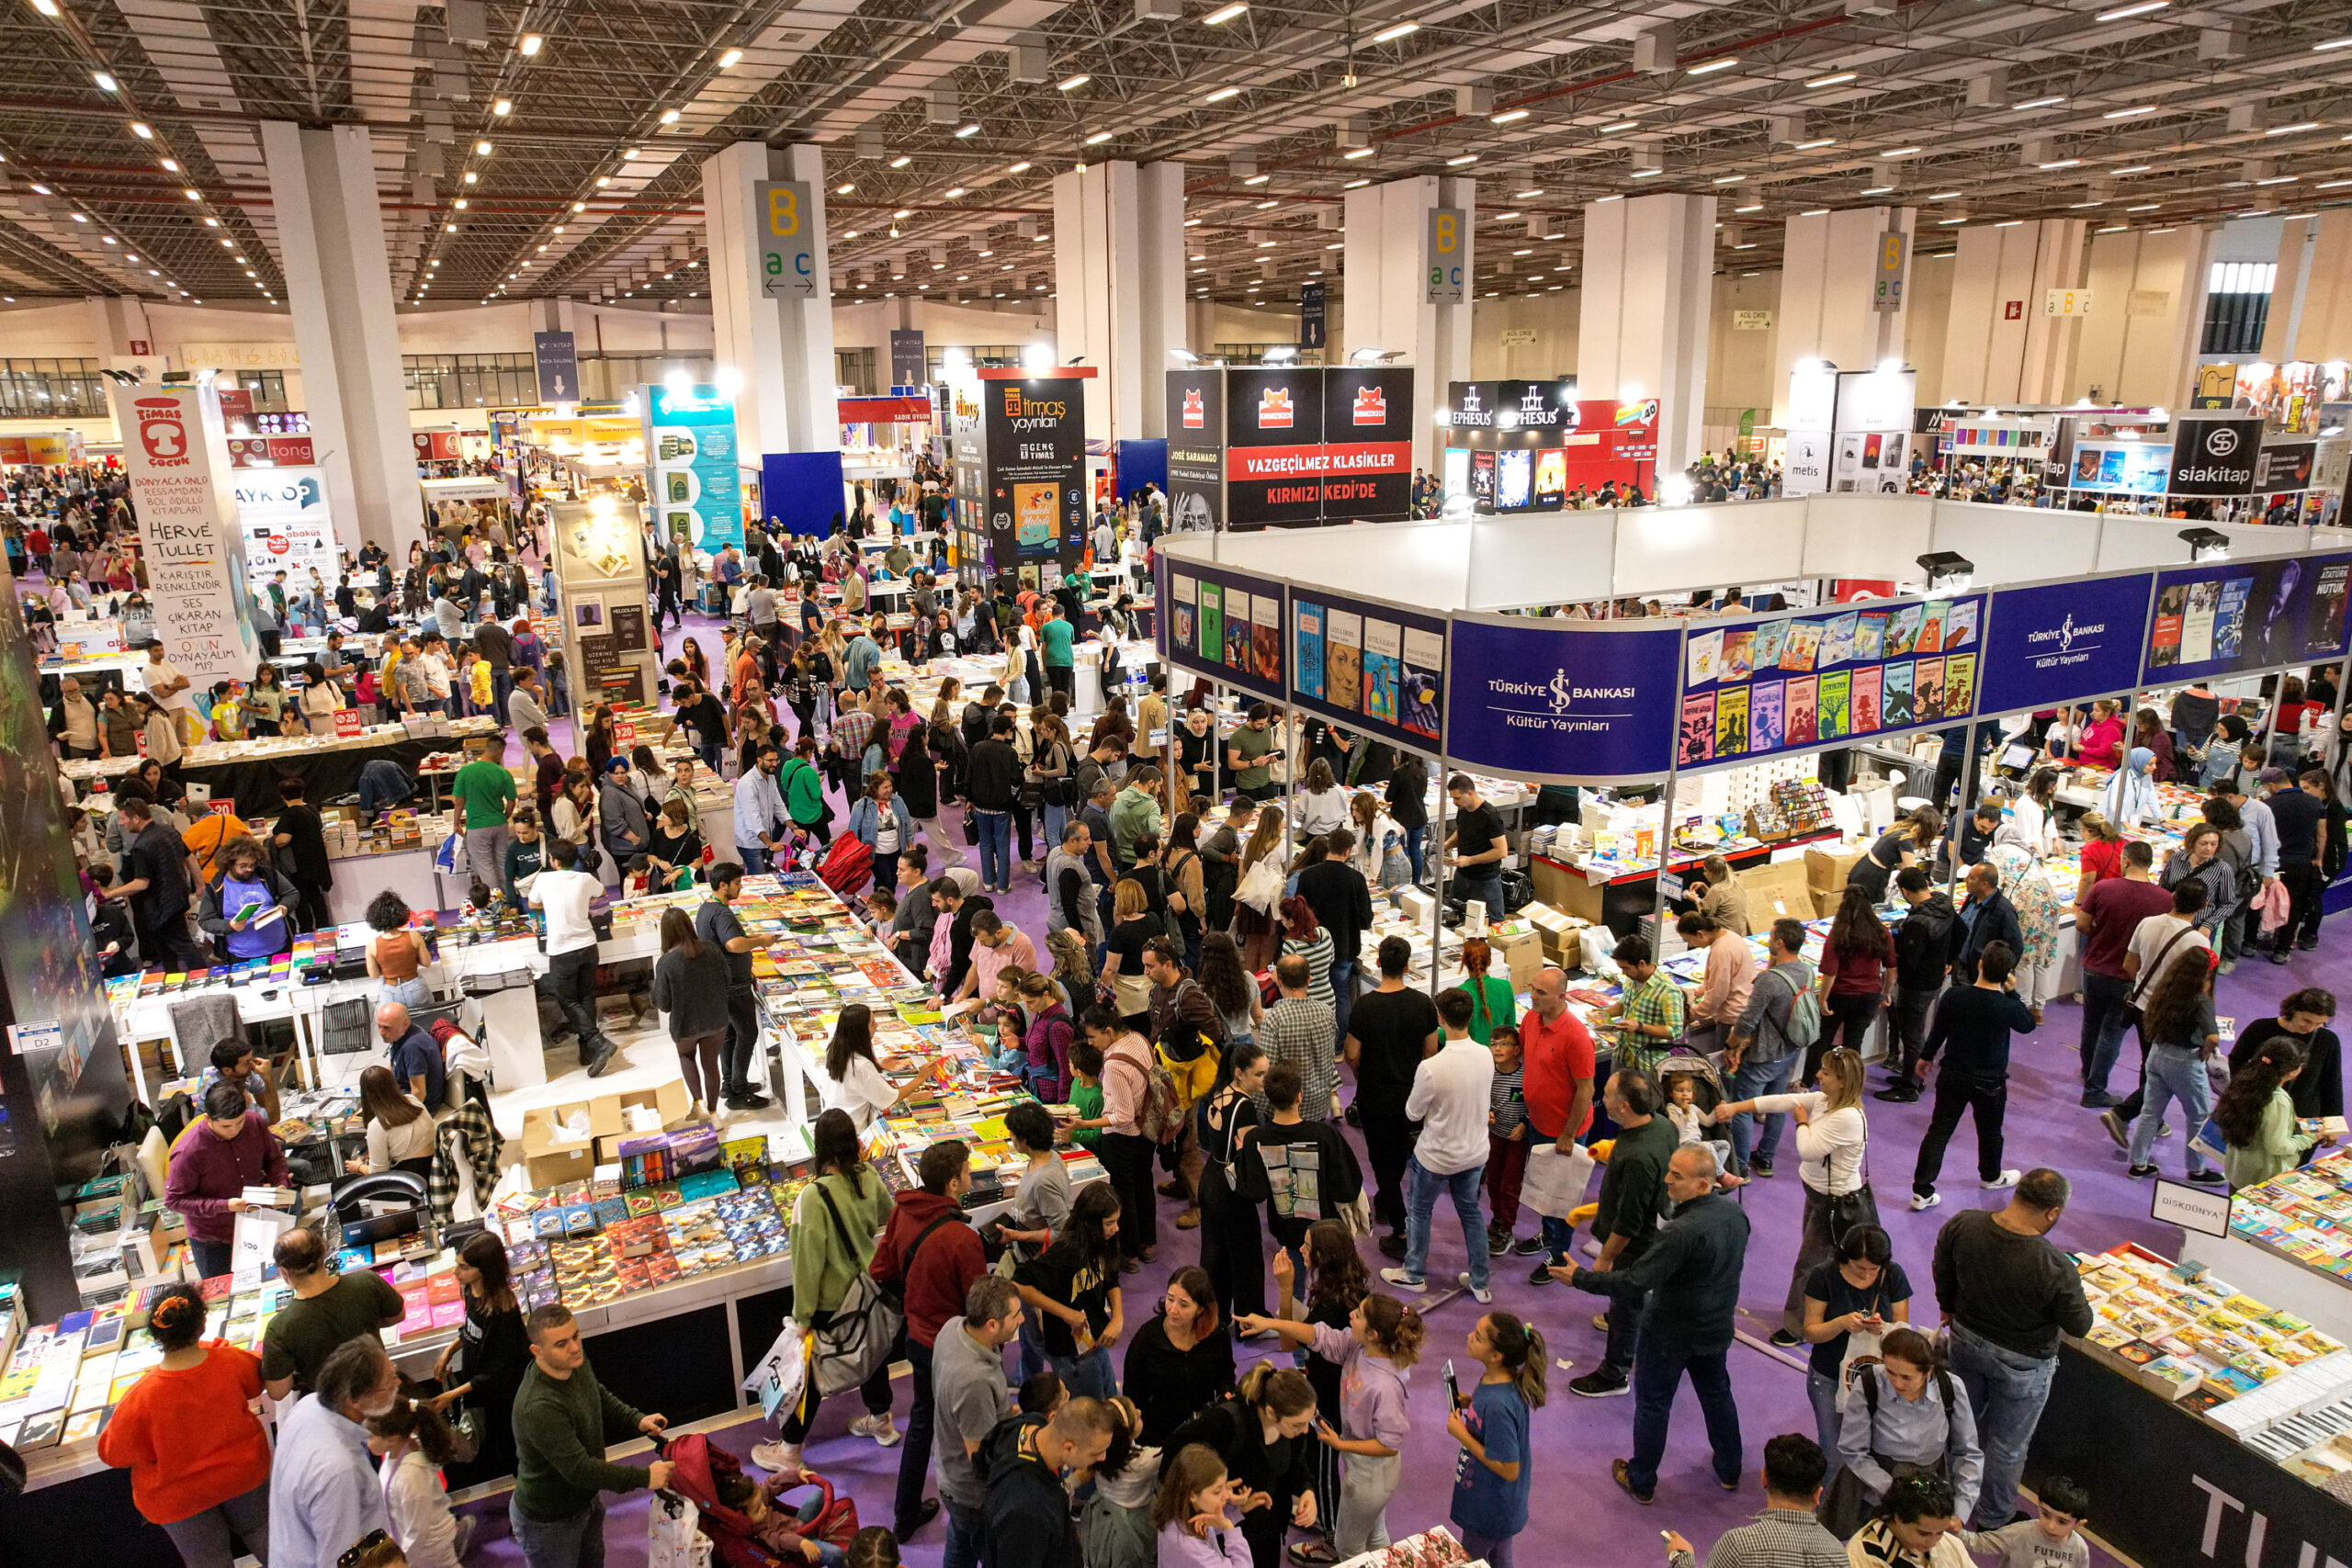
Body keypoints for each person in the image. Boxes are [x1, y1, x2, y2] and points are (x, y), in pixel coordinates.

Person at [1556, 1143, 1752, 1504]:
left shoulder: (1681, 1232)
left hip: (1669, 1333)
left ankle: (1641, 1480)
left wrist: (1580, 1278)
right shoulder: (1735, 1215)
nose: (1667, 1180)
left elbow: (1634, 1281)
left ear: (1703, 1185)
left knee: (1653, 1404)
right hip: (1715, 1328)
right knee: (1717, 1395)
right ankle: (1730, 1469)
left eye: (1677, 1175)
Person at [1930, 1169, 2091, 1529]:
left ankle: (1944, 1500)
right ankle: (1994, 1517)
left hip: (1966, 1340)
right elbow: (2079, 1325)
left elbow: (1942, 1265)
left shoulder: (1964, 1224)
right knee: (2007, 1446)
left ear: (2017, 1193)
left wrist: (1948, 1305)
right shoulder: (2056, 1266)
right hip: (2024, 1364)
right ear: (2053, 1212)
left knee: (1959, 1425)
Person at [96, 1282, 273, 1568]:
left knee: (209, 1561)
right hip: (242, 1474)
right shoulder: (228, 1362)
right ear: (202, 1324)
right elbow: (256, 1377)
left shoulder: (140, 1397)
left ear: (155, 1334)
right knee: (264, 1533)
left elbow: (113, 1454)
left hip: (179, 1499)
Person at [867, 1138, 988, 1540]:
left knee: (922, 1424)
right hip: (955, 1347)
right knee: (973, 1425)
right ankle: (978, 1505)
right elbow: (978, 1304)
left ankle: (904, 1515)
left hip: (916, 1338)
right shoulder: (962, 1238)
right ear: (953, 1183)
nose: (971, 1174)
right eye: (967, 1170)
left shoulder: (902, 1211)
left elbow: (881, 1267)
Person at [1715, 1046, 1874, 1348]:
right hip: (1820, 1196)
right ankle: (1826, 1313)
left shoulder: (1848, 1118)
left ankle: (1800, 1326)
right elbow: (1784, 1101)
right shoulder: (1826, 1100)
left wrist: (1801, 1121)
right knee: (1823, 1261)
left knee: (1809, 1265)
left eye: (1826, 1072)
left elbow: (1808, 1149)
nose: (1818, 1075)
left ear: (1843, 1080)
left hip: (1834, 1203)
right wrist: (1736, 1107)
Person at [509, 1303, 674, 1568]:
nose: (575, 1347)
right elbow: (579, 1469)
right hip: (549, 1523)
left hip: (585, 1501)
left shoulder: (573, 1362)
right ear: (536, 1351)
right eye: (561, 1344)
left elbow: (596, 1393)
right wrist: (644, 1477)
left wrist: (635, 1420)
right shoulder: (539, 1406)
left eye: (575, 1336)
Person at [1557, 1069, 1677, 1391]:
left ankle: (1614, 1373)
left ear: (1624, 1106)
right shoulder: (1661, 1125)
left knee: (1626, 1302)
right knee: (1632, 1299)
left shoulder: (1638, 1158)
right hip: (1657, 1229)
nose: (1603, 1097)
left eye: (1608, 1094)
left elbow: (1628, 1222)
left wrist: (1604, 1260)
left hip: (1635, 1244)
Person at [1381, 987, 1496, 1301]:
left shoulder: (1431, 1067)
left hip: (1436, 1155)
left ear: (1440, 1018)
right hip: (1475, 1153)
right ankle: (1480, 1282)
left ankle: (1414, 1273)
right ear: (1470, 1016)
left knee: (1419, 1211)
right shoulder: (1486, 1054)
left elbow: (1412, 1112)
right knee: (1471, 1213)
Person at [1909, 941, 2032, 1211]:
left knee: (1939, 1130)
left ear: (1980, 964)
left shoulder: (1954, 996)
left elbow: (1938, 1031)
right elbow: (2028, 1025)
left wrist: (1926, 1057)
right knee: (1990, 1132)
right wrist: (2012, 993)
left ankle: (1921, 1191)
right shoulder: (2007, 1006)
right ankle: (1991, 1176)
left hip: (1953, 1074)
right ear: (2008, 974)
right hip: (1990, 1081)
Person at [1826, 1328, 1984, 1536]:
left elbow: (1968, 1452)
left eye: (1907, 1378)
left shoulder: (1951, 1387)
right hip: (1873, 1483)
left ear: (1928, 1372)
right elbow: (1853, 1450)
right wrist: (1895, 1492)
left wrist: (1961, 1509)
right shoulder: (1869, 1382)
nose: (1897, 1383)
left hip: (1927, 1483)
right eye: (1890, 1372)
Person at [1162, 1365, 1321, 1568]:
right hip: (1223, 1532)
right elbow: (1174, 1462)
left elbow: (1296, 1466)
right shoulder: (1225, 1423)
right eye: (1298, 1424)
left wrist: (1307, 1491)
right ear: (1271, 1413)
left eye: (1309, 1421)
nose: (1306, 1430)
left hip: (1267, 1529)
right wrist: (1221, 1494)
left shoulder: (1294, 1431)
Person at [272, 1337, 401, 1568]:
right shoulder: (339, 1472)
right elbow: (340, 1558)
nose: (397, 1383)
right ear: (354, 1399)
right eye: (389, 1381)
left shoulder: (308, 1406)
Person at [1800, 1224, 1911, 1475]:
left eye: (1874, 1269)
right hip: (1829, 1376)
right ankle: (1831, 1497)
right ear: (1844, 1257)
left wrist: (1882, 1328)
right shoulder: (1823, 1276)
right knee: (1833, 1450)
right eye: (1859, 1268)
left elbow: (1902, 1329)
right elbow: (1811, 1332)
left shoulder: (1893, 1275)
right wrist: (1840, 1323)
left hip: (1876, 1378)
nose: (1866, 1274)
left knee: (1876, 1447)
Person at [933, 1276, 1026, 1568]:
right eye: (1015, 1315)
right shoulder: (974, 1382)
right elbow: (981, 1457)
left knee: (961, 1544)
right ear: (992, 1325)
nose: (1022, 1319)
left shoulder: (953, 1328)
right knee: (992, 1554)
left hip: (951, 1477)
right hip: (973, 1496)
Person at [2072, 840, 2173, 1108]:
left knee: (2091, 1024)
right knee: (2112, 1032)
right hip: (2129, 975)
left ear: (2125, 860)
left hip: (2095, 967)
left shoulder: (2103, 888)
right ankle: (2095, 1088)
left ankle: (2089, 1073)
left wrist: (2101, 937)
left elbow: (2082, 923)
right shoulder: (2164, 899)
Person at [261, 1224, 406, 1398]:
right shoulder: (366, 1281)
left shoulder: (279, 1328)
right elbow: (398, 1315)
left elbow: (277, 1392)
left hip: (329, 1405)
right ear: (323, 1252)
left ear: (284, 1272)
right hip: (379, 1392)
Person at [432, 1229, 530, 1485]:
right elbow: (471, 1330)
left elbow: (498, 1373)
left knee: (511, 1450)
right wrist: (450, 1350)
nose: (456, 1273)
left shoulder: (503, 1312)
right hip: (483, 1390)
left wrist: (452, 1395)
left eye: (464, 1267)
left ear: (484, 1270)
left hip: (505, 1396)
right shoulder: (471, 1291)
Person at [1447, 1311, 1545, 1568]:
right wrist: (1472, 1403)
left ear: (1496, 1356)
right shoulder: (1497, 1381)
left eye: (1478, 1337)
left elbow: (1509, 1468)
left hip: (1490, 1507)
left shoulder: (1498, 1404)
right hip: (1496, 1501)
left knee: (1474, 1560)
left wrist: (1462, 1435)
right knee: (1501, 1557)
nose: (1469, 1336)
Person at [164, 1080, 289, 1280]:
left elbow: (273, 1159)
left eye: (239, 1122)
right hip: (213, 1239)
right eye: (226, 1126)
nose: (234, 1130)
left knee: (269, 1282)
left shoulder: (254, 1123)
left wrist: (280, 1184)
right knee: (225, 1293)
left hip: (257, 1222)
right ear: (208, 1118)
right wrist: (225, 1206)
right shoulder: (189, 1151)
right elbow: (174, 1201)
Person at [1519, 965, 1600, 1280]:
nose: (1533, 996)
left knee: (1563, 1198)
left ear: (1562, 996)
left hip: (1566, 1133)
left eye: (1541, 992)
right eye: (1532, 988)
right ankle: (1548, 1234)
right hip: (1538, 1124)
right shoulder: (1531, 1019)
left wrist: (1568, 1134)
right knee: (1543, 1189)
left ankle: (1560, 1257)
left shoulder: (1576, 1037)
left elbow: (1586, 1091)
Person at [1661, 1434, 1846, 1568]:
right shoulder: (1838, 1556)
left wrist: (1680, 1558)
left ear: (1764, 1478)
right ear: (1817, 1494)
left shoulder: (1738, 1545)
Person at [1014, 1181, 1126, 1400]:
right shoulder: (1066, 1250)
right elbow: (1020, 1284)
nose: (1116, 1229)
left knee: (1110, 1400)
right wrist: (1066, 1313)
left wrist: (1117, 1318)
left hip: (1096, 1341)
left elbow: (1111, 1278)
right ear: (1091, 1223)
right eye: (1109, 1223)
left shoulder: (1106, 1240)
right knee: (1089, 1411)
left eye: (1116, 1221)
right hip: (1070, 1353)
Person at [2122, 948, 2226, 1183]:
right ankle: (2197, 1171)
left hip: (2158, 1053)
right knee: (2199, 1115)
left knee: (2150, 1112)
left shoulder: (2166, 988)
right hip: (2185, 1061)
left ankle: (2138, 1164)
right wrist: (2204, 1054)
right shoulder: (2201, 1000)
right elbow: (2213, 1038)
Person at [1725, 919, 1818, 1179]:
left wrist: (1730, 1045)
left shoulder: (1769, 980)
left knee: (1743, 1107)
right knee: (1778, 1103)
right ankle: (1766, 1158)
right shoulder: (1807, 971)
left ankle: (1740, 1164)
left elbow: (1748, 1020)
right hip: (1790, 1050)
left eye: (1771, 936)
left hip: (1763, 1054)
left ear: (1779, 943)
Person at [981, 1397, 1117, 1568]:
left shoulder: (1032, 1429)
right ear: (1069, 1448)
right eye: (1096, 1453)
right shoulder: (1026, 1510)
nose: (1102, 1458)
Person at [531, 838, 620, 1077]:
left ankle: (597, 1042)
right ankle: (588, 1051)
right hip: (588, 944)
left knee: (567, 1000)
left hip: (562, 949)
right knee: (587, 997)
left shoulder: (544, 879)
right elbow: (601, 893)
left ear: (554, 860)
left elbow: (532, 902)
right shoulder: (585, 878)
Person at [1123, 1266, 1238, 1449]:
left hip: (1202, 1428)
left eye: (1183, 1304)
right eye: (1170, 1299)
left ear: (1200, 1309)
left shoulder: (1216, 1334)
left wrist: (1226, 1392)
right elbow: (1133, 1394)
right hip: (1159, 1435)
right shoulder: (1147, 1339)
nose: (1173, 1310)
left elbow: (1226, 1374)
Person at [1199, 1043, 1271, 1323]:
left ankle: (1215, 1316)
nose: (1264, 1080)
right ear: (1239, 1073)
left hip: (1211, 1178)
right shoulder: (1245, 1107)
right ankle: (1250, 1320)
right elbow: (1250, 1154)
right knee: (1246, 1258)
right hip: (1232, 1190)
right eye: (1259, 1074)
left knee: (1214, 1254)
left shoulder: (1220, 1092)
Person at [2215, 1034, 2338, 1188]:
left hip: (2238, 1169)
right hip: (2264, 1178)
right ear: (2292, 1071)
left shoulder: (2244, 1082)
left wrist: (2290, 1121)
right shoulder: (2278, 1100)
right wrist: (2311, 1137)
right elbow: (2278, 1146)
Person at [698, 863, 774, 1112]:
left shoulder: (706, 908)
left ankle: (730, 1084)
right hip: (734, 985)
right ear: (723, 885)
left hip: (720, 983)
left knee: (730, 1034)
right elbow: (733, 944)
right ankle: (739, 1091)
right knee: (747, 1033)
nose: (740, 888)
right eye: (737, 883)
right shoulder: (722, 914)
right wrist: (760, 941)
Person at [368, 1393, 472, 1568]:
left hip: (428, 1551)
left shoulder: (411, 1473)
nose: (366, 1439)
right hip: (416, 1547)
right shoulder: (393, 1458)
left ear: (392, 1439)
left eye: (371, 1435)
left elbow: (418, 1530)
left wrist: (403, 1559)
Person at [652, 906, 731, 1116]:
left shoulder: (666, 963)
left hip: (685, 1023)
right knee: (711, 1064)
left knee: (686, 1057)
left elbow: (663, 1003)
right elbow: (727, 980)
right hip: (716, 1018)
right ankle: (714, 1113)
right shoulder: (712, 949)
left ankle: (699, 1106)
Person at [111, 795, 206, 967]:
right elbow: (190, 858)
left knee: (182, 947)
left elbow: (141, 883)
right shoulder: (168, 831)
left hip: (161, 907)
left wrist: (109, 893)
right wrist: (200, 885)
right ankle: (174, 978)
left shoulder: (141, 846)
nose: (120, 823)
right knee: (168, 949)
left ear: (136, 818)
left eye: (123, 819)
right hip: (178, 897)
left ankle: (204, 977)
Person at [2232, 987, 2344, 1120]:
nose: (2310, 1028)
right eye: (2306, 1020)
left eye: (2319, 1024)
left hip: (2301, 1116)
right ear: (2293, 1010)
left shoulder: (2328, 1041)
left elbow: (2332, 1084)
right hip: (2256, 1109)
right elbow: (2235, 1064)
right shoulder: (2259, 1028)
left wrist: (2335, 1120)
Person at [1595, 936, 1682, 1077]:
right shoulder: (1631, 980)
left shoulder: (1668, 990)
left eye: (1626, 968)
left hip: (1646, 1064)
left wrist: (1639, 1027)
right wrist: (1602, 1014)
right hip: (1622, 1055)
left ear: (1641, 964)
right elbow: (1625, 1005)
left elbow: (1675, 1031)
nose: (1623, 973)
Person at [1959, 1476, 2093, 1568]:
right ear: (2038, 1504)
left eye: (2062, 1522)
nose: (2051, 1526)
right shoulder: (2021, 1532)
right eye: (2045, 1514)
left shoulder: (2079, 1548)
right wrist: (1954, 1529)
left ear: (2078, 1524)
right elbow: (1979, 1542)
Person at [1847, 1473, 1972, 1568]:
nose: (1933, 1542)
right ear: (1899, 1518)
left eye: (1940, 1532)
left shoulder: (1950, 1543)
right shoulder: (1864, 1555)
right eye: (1923, 1533)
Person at [347, 1064, 435, 1179]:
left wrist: (358, 1167)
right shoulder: (413, 1101)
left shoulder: (377, 1125)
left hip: (406, 1181)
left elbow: (378, 1173)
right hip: (432, 1171)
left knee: (340, 1184)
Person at [1444, 773, 1511, 917]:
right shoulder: (1463, 809)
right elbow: (1462, 829)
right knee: (1454, 914)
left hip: (1485, 880)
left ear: (1470, 793)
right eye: (1453, 798)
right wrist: (1448, 843)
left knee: (1493, 920)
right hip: (1462, 876)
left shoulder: (1490, 816)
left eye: (1457, 798)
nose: (1455, 802)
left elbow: (1501, 851)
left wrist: (1470, 860)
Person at [367, 889, 434, 1010]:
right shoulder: (414, 936)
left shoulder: (372, 945)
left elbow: (374, 975)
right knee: (424, 1020)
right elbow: (427, 963)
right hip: (415, 987)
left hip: (390, 992)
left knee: (393, 1022)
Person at [377, 999, 447, 1111]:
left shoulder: (413, 1047)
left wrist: (404, 1116)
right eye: (379, 1026)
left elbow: (419, 1093)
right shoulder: (400, 1034)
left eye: (386, 1028)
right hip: (404, 1094)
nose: (381, 1033)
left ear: (405, 1023)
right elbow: (393, 1066)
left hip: (421, 1106)